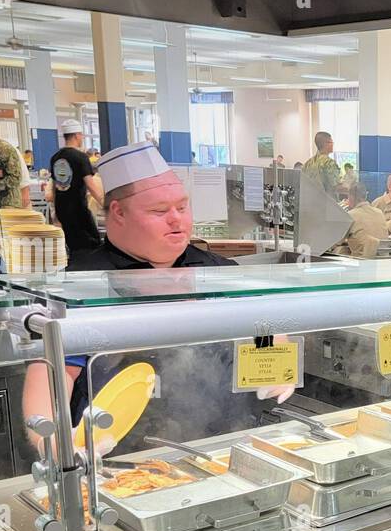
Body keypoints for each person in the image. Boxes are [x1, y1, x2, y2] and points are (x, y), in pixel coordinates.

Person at [23, 141, 286, 454]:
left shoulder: (218, 271)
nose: (176, 219)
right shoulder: (84, 283)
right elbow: (53, 372)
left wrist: (275, 367)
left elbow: (265, 329)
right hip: (120, 455)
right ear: (118, 212)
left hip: (222, 446)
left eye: (182, 207)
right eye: (159, 211)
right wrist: (52, 443)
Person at [46, 119, 104, 253]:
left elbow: (55, 186)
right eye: (81, 135)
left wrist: (55, 212)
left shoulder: (55, 157)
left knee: (73, 246)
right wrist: (104, 204)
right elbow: (91, 185)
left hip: (62, 209)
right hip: (78, 209)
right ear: (77, 135)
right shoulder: (80, 157)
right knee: (92, 246)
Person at [335, 183, 389, 258]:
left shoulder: (351, 215)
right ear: (366, 196)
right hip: (383, 260)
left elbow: (336, 241)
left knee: (339, 250)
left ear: (351, 197)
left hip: (362, 262)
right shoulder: (380, 212)